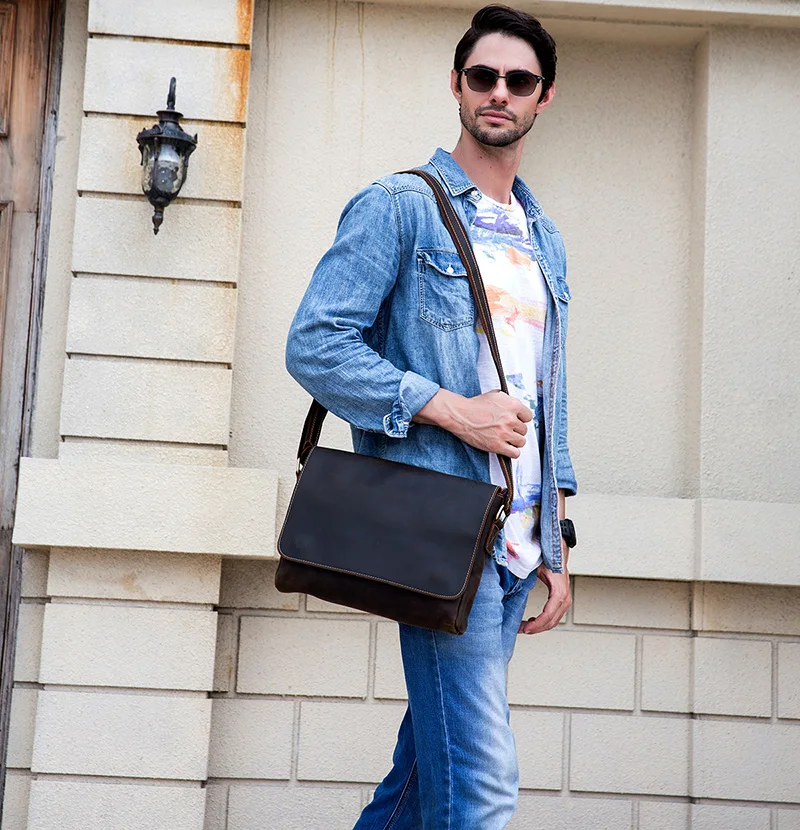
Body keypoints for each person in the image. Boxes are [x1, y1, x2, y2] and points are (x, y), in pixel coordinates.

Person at [285, 5, 577, 827]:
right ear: (456, 84)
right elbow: (315, 345)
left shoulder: (544, 239)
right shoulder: (398, 206)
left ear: (543, 96)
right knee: (481, 790)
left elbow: (549, 396)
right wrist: (452, 411)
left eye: (518, 80)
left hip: (517, 543)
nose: (498, 92)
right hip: (446, 538)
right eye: (482, 75)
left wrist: (556, 541)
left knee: (420, 781)